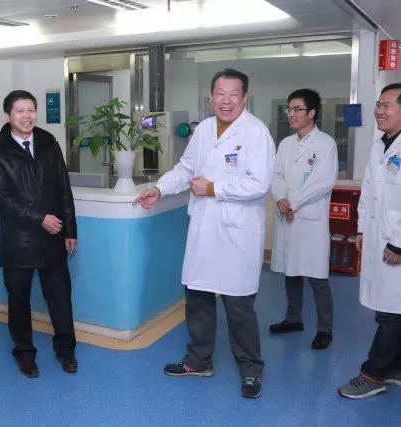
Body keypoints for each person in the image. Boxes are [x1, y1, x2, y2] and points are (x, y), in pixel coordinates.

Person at [133, 68, 275, 398]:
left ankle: (251, 370)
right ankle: (198, 360)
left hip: (237, 232)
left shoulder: (256, 133)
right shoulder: (204, 130)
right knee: (197, 297)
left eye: (233, 94)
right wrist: (160, 188)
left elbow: (259, 183)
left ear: (245, 98)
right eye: (220, 94)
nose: (226, 100)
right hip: (204, 228)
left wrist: (213, 187)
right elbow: (186, 168)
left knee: (238, 306)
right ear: (210, 97)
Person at [338, 83, 401, 399]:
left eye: (387, 105)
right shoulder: (380, 145)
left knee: (391, 311)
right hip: (378, 238)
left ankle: (373, 374)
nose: (379, 111)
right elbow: (369, 193)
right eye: (378, 104)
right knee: (392, 307)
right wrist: (361, 230)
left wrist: (399, 242)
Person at [0, 90, 78, 378]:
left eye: (31, 110)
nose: (27, 116)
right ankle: (25, 354)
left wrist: (70, 229)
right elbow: (2, 200)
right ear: (8, 116)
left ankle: (66, 350)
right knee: (19, 302)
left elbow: (64, 188)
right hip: (18, 241)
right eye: (20, 111)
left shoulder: (49, 142)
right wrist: (40, 219)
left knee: (60, 297)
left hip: (53, 237)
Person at [268, 89, 338, 350]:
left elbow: (323, 182)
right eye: (289, 109)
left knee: (317, 277)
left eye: (297, 109)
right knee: (291, 271)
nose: (291, 114)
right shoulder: (285, 144)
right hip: (288, 215)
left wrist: (293, 203)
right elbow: (276, 175)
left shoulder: (326, 144)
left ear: (312, 113)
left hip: (309, 218)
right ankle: (293, 319)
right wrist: (280, 198)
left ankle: (324, 329)